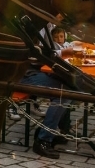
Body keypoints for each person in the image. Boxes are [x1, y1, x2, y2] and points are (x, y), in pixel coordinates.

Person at [26, 26, 74, 159]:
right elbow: (38, 53)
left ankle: (59, 131)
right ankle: (43, 140)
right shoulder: (38, 26)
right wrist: (63, 53)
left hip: (40, 69)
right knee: (64, 94)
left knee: (71, 87)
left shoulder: (50, 25)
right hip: (27, 73)